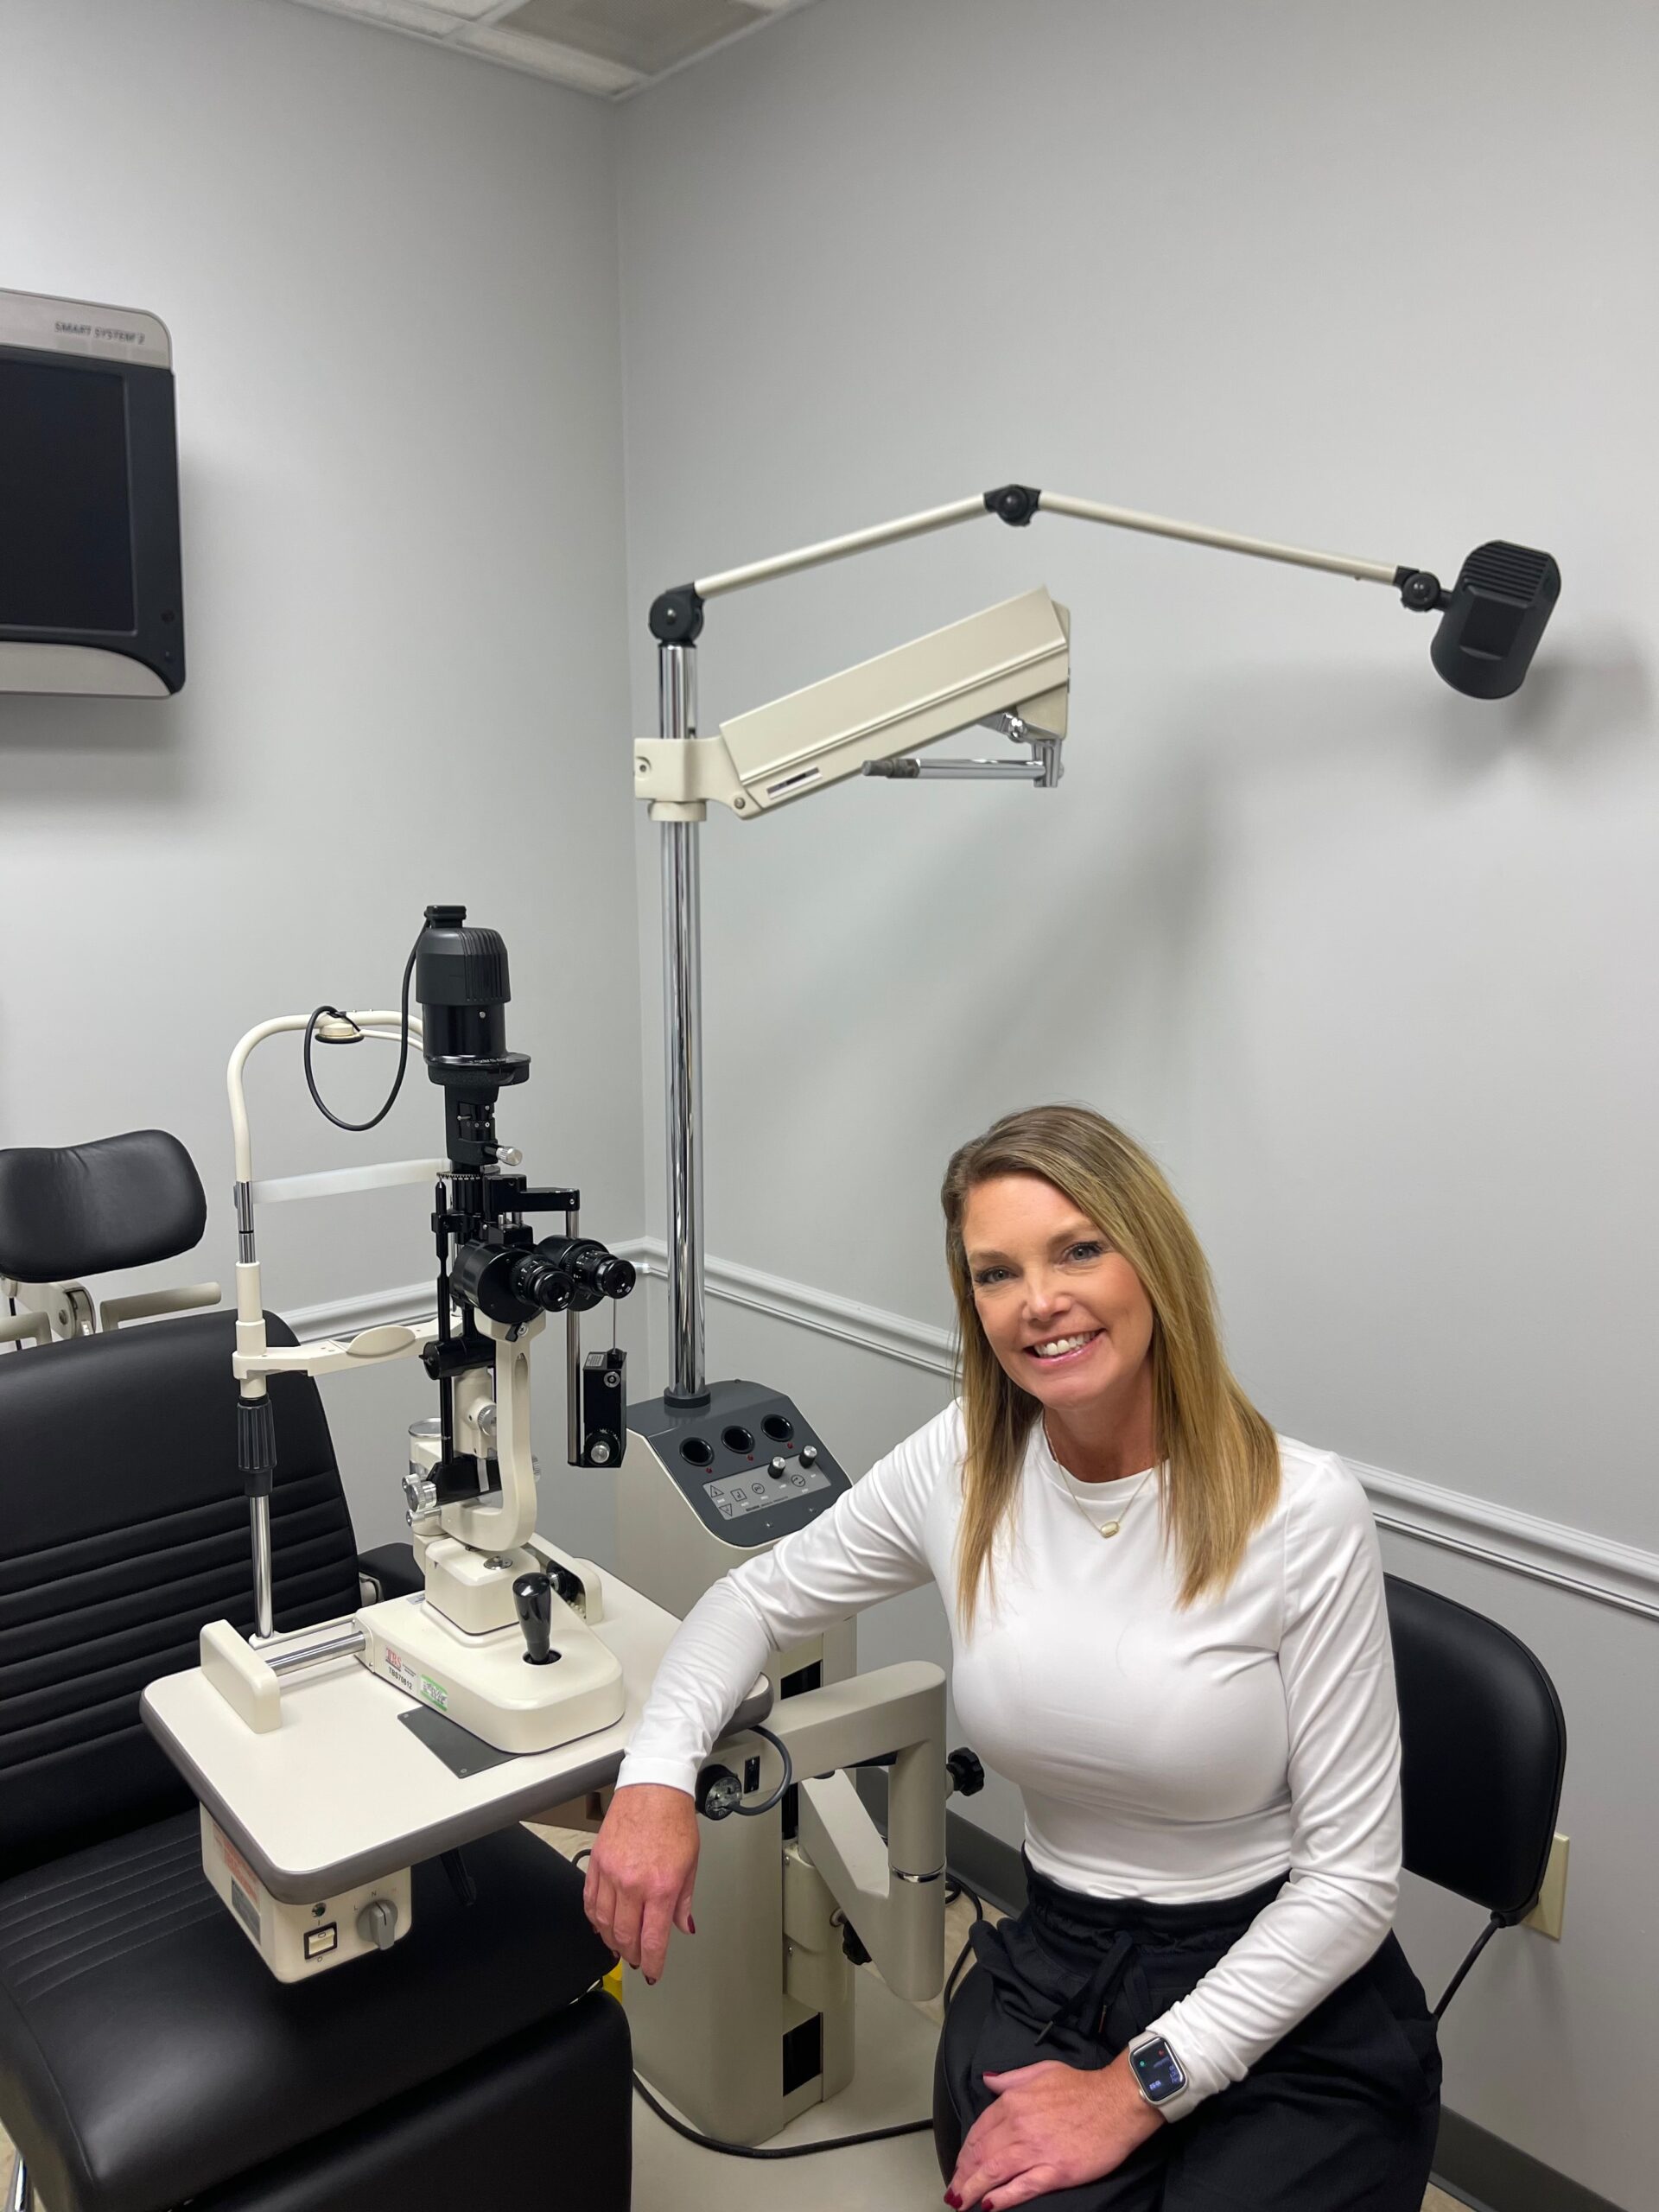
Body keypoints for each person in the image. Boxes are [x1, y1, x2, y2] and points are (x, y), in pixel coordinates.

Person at [584, 1105, 1441, 2209]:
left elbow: (1352, 1882)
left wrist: (1138, 2087)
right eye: (996, 1273)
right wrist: (655, 1776)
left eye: (1080, 1248)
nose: (1039, 1301)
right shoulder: (966, 1463)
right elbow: (750, 1596)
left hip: (1283, 1972)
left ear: (1155, 1261)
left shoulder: (1302, 1509)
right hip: (1059, 1961)